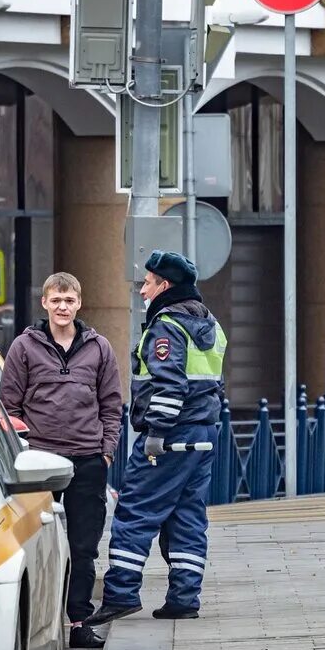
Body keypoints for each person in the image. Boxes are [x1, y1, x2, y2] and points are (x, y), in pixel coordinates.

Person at [87, 250, 227, 625]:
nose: (143, 290)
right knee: (187, 516)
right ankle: (184, 597)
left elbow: (169, 384)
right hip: (203, 435)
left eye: (148, 283)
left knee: (135, 511)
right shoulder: (210, 323)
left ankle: (120, 594)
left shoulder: (167, 325)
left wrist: (156, 434)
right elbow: (214, 384)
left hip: (168, 438)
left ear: (165, 285)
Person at [0, 272, 123, 649]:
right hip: (40, 463)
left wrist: (106, 452)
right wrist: (23, 452)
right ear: (44, 303)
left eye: (69, 301)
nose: (62, 307)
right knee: (39, 545)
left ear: (79, 303)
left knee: (83, 547)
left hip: (87, 461)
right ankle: (41, 623)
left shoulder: (99, 347)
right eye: (56, 300)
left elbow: (112, 404)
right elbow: (9, 405)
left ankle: (80, 622)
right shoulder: (24, 347)